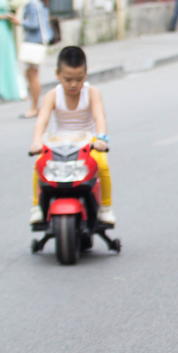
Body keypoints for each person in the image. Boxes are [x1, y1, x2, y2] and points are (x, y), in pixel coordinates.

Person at [28, 46, 115, 227]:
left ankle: (106, 207)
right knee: (39, 166)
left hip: (88, 141)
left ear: (86, 74)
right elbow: (42, 121)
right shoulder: (52, 95)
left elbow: (100, 117)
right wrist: (37, 142)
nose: (73, 84)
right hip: (58, 141)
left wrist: (101, 139)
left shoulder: (92, 93)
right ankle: (37, 207)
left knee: (102, 165)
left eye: (79, 79)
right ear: (57, 74)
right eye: (67, 80)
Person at [19, 0, 52, 118]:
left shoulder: (34, 3)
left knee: (32, 75)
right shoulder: (41, 1)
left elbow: (34, 24)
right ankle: (35, 106)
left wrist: (19, 22)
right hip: (39, 41)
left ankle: (34, 107)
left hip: (34, 41)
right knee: (31, 73)